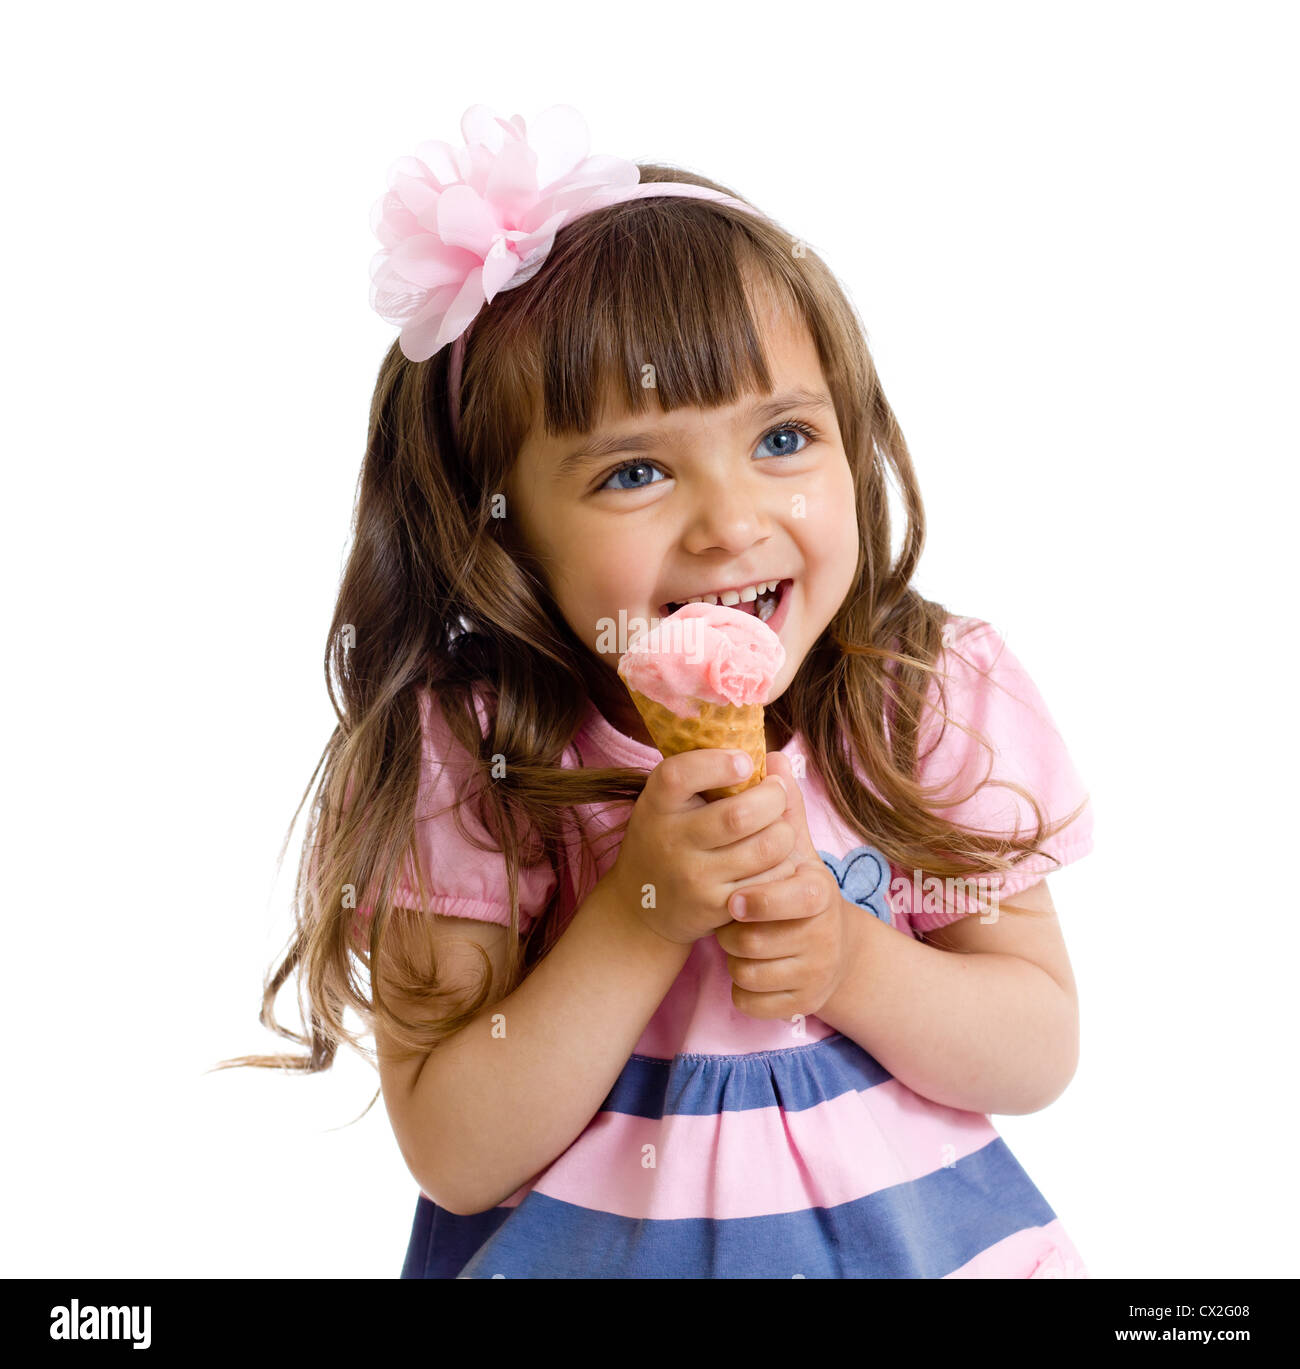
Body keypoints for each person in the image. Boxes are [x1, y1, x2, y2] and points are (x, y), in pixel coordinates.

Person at [219, 104, 1095, 1278]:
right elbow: (457, 1151)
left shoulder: (914, 697)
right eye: (635, 470)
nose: (733, 524)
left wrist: (845, 955)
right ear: (502, 527)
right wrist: (640, 911)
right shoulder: (467, 754)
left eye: (783, 439)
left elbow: (1034, 1050)